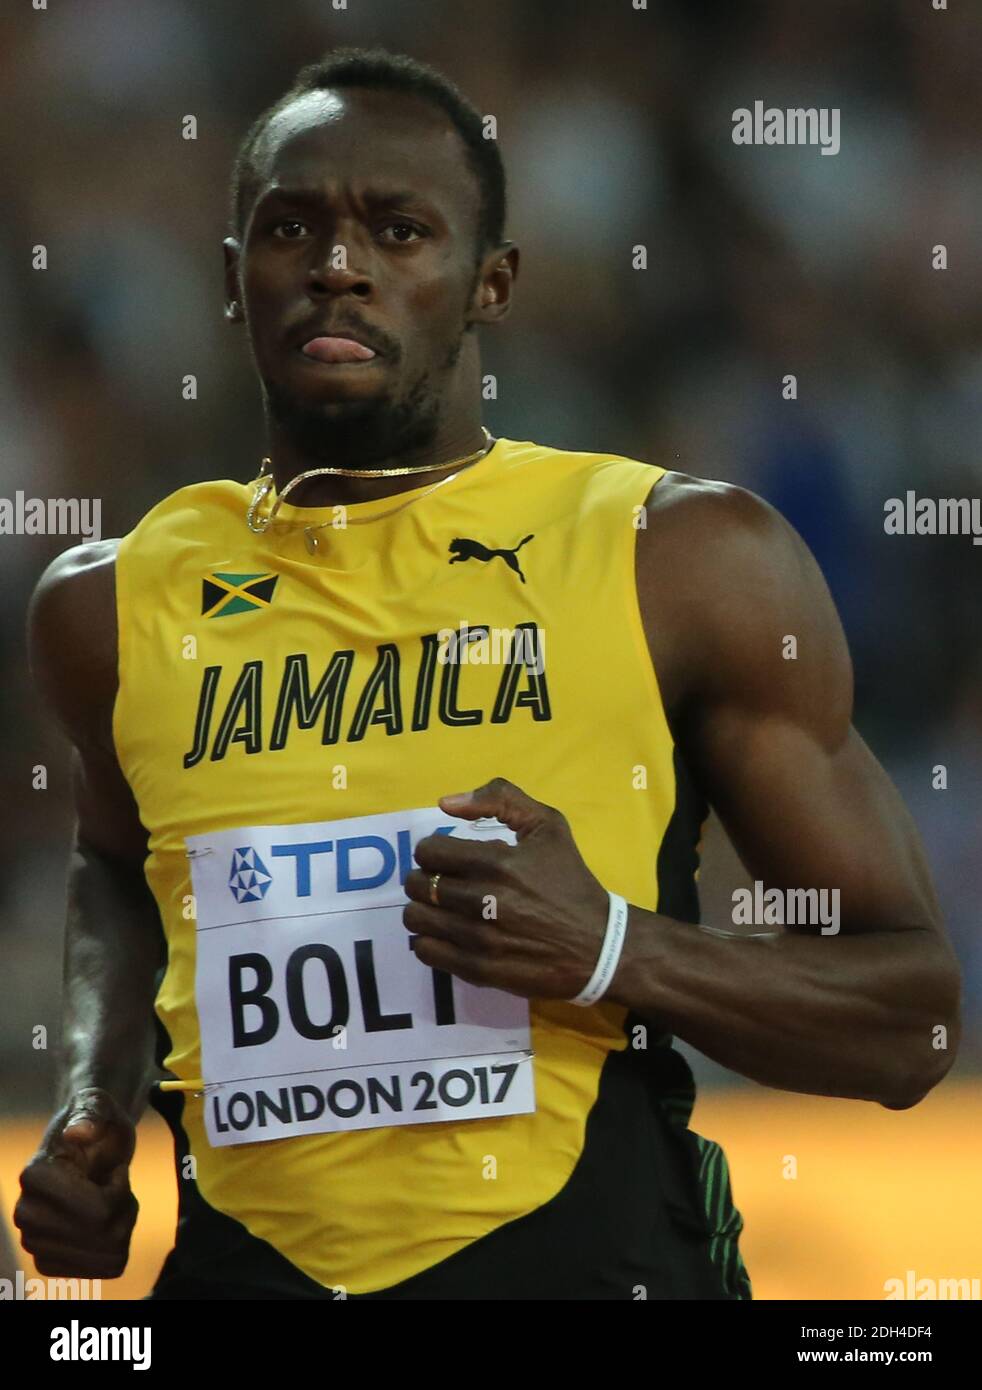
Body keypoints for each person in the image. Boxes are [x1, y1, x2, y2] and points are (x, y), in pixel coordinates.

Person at [13, 47, 960, 1301]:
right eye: (289, 228)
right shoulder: (110, 602)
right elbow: (117, 866)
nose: (336, 266)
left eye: (398, 231)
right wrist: (95, 1096)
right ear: (234, 280)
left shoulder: (676, 557)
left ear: (490, 283)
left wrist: (614, 947)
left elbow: (911, 1018)